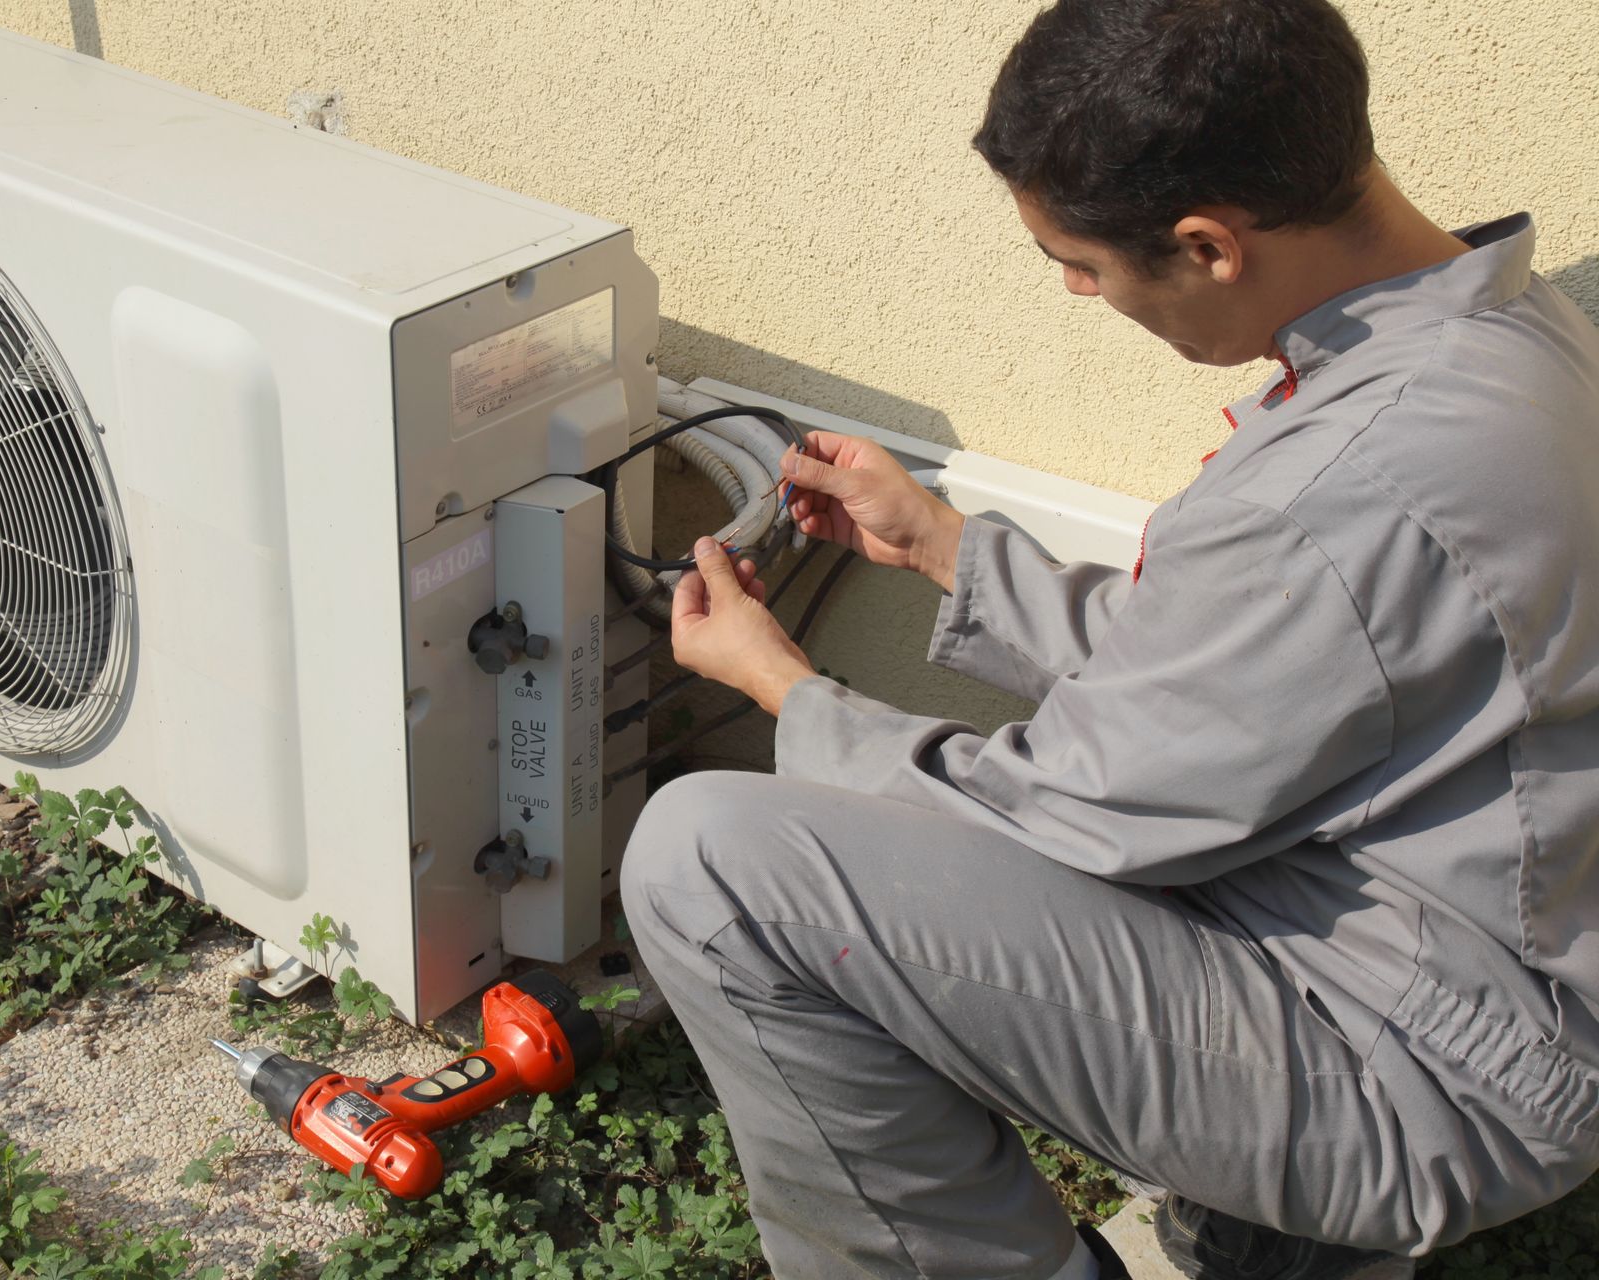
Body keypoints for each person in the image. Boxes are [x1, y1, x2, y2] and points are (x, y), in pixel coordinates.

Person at [618, 1, 1599, 1278]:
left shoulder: (1338, 483)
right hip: (1487, 971)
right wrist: (944, 544)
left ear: (1207, 245)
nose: (1080, 293)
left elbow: (1068, 809)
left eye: (1076, 262)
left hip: (1433, 1069)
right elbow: (1234, 670)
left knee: (712, 863)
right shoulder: (1504, 333)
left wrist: (785, 687)